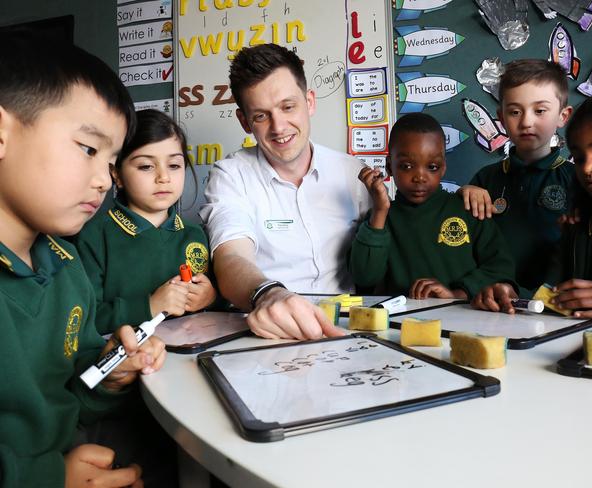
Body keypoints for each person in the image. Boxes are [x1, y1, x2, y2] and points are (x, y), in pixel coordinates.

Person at [0, 33, 166, 487]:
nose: (104, 181)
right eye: (89, 149)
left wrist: (110, 377)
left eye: (112, 162)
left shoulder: (66, 266)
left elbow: (69, 397)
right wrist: (49, 478)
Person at [200, 43, 371, 340]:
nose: (279, 127)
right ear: (244, 121)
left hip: (349, 328)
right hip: (268, 334)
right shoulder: (230, 176)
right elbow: (230, 258)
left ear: (310, 102)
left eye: (288, 107)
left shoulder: (353, 172)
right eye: (261, 116)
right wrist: (268, 295)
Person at [472, 86, 592, 329]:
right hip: (582, 357)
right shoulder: (578, 226)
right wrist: (511, 293)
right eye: (579, 157)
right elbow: (553, 298)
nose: (588, 167)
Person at [75, 109, 217, 335]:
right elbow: (80, 322)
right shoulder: (91, 237)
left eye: (174, 165)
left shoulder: (196, 235)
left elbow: (218, 310)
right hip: (127, 361)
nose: (164, 177)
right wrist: (149, 306)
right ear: (116, 175)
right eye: (146, 166)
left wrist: (209, 298)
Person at [349, 113, 516, 299]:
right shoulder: (380, 219)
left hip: (466, 320)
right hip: (404, 324)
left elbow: (501, 268)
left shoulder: (469, 208)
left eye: (432, 167)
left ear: (443, 167)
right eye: (406, 166)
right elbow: (364, 278)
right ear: (389, 166)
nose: (420, 177)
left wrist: (456, 293)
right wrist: (380, 210)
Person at [458, 59, 574, 295]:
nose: (526, 122)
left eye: (540, 110)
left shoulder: (576, 179)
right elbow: (463, 241)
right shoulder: (485, 179)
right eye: (514, 112)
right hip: (490, 301)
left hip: (554, 305)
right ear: (501, 117)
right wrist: (461, 195)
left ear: (563, 116)